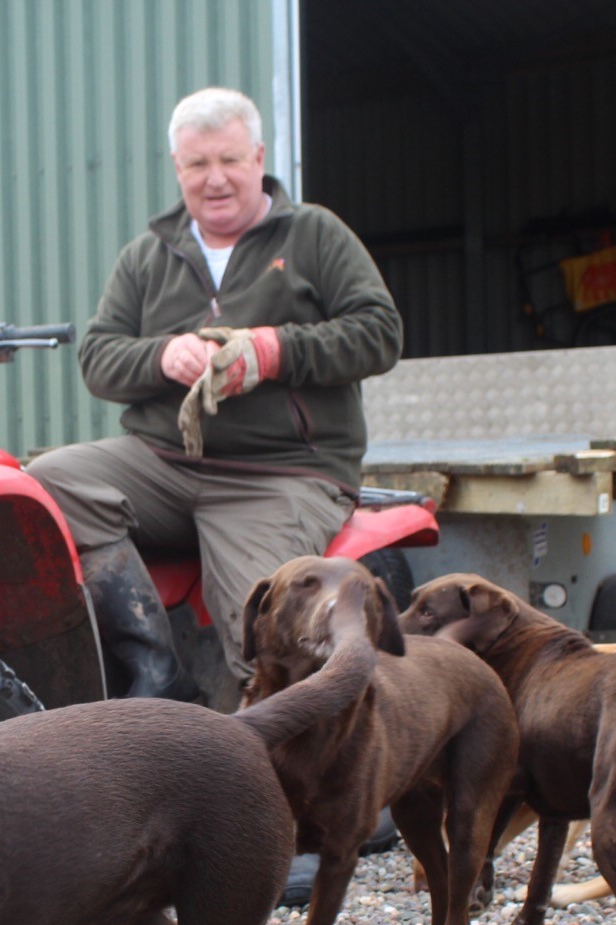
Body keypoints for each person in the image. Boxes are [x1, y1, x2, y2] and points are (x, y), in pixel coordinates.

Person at [28, 86, 402, 707]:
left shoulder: (315, 235)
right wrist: (160, 356)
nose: (216, 179)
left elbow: (380, 333)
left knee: (262, 631)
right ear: (177, 167)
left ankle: (285, 771)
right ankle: (156, 673)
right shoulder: (147, 256)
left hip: (279, 474)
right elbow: (97, 358)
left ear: (259, 157)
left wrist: (275, 351)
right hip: (164, 465)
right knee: (46, 483)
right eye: (198, 164)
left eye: (229, 160)